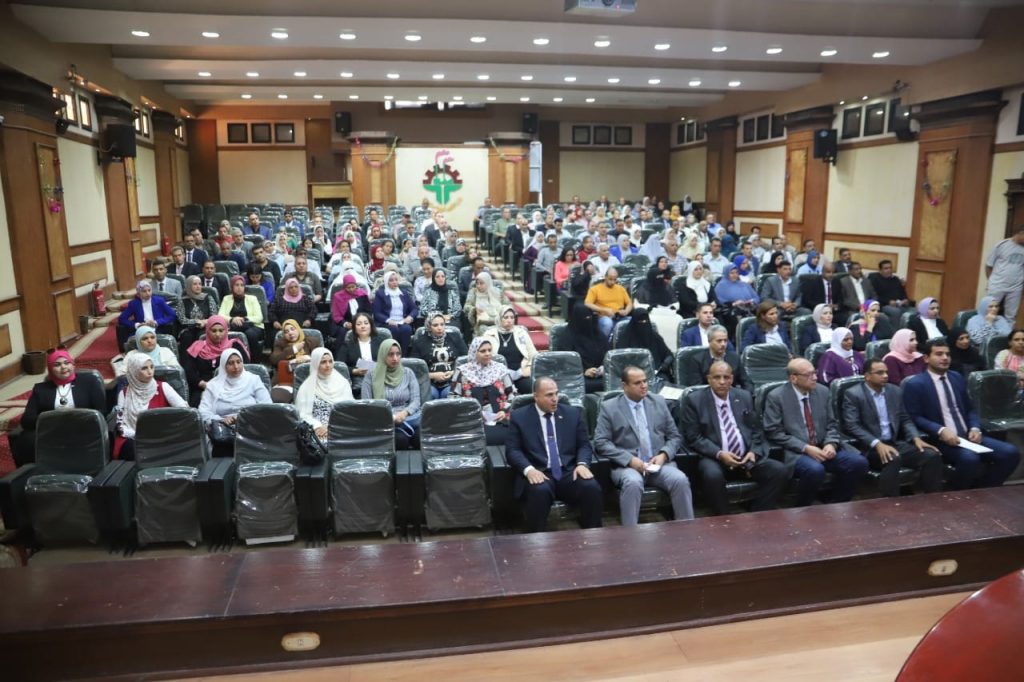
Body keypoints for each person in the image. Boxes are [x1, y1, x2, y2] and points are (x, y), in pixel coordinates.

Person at [903, 339, 1020, 489]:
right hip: (941, 440)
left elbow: (970, 409)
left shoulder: (956, 377)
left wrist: (975, 428)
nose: (945, 358)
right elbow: (914, 417)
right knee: (970, 459)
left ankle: (984, 489)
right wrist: (940, 430)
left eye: (947, 354)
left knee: (1011, 453)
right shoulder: (915, 384)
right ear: (926, 358)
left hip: (968, 436)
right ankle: (955, 493)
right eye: (939, 354)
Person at [681, 361, 789, 515]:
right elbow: (694, 437)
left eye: (726, 377)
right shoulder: (694, 400)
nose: (722, 382)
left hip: (746, 456)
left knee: (779, 471)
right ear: (709, 379)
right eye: (717, 377)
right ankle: (725, 518)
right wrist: (720, 454)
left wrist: (753, 451)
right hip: (714, 456)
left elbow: (756, 430)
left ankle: (757, 514)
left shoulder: (744, 396)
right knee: (712, 475)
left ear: (732, 379)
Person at [594, 366, 694, 526]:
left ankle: (687, 529)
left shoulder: (658, 402)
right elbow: (601, 442)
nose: (644, 386)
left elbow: (675, 436)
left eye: (645, 381)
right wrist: (630, 460)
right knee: (633, 483)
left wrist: (663, 455)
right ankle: (630, 533)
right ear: (624, 386)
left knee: (680, 480)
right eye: (637, 383)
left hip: (658, 464)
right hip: (628, 467)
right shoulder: (609, 407)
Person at [763, 358, 868, 506]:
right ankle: (803, 507)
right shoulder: (776, 397)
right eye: (809, 375)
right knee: (815, 470)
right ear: (793, 378)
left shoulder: (823, 391)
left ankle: (836, 503)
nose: (815, 378)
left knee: (858, 463)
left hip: (824, 447)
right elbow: (774, 431)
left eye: (815, 373)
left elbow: (832, 423)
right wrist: (806, 448)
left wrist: (831, 443)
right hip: (797, 451)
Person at [504, 377, 603, 533]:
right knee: (539, 490)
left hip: (568, 471)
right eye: (549, 395)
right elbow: (512, 450)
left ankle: (594, 534)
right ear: (536, 396)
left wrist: (582, 464)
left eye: (556, 393)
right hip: (539, 471)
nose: (555, 399)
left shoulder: (572, 414)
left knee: (590, 487)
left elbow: (584, 444)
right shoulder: (519, 417)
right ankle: (535, 538)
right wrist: (529, 470)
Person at [840, 359, 943, 497]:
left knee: (931, 455)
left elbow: (905, 418)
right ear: (867, 376)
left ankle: (933, 499)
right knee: (892, 458)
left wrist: (915, 437)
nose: (885, 376)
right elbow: (852, 425)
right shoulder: (853, 394)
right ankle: (889, 503)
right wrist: (877, 443)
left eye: (886, 372)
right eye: (880, 373)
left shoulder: (894, 391)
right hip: (869, 447)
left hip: (894, 443)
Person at [10, 347, 106, 466]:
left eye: (67, 363)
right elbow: (27, 420)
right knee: (26, 439)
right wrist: (53, 420)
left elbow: (101, 410)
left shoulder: (89, 382)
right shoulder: (40, 389)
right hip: (51, 431)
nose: (63, 367)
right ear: (50, 369)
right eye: (57, 365)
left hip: (81, 428)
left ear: (73, 365)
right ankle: (32, 472)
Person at [198, 348, 271, 457]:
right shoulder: (212, 386)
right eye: (231, 363)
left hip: (250, 426)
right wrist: (221, 420)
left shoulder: (253, 380)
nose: (236, 367)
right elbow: (203, 413)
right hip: (223, 431)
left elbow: (267, 406)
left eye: (238, 362)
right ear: (224, 365)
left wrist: (242, 418)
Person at [113, 354, 187, 460]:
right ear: (134, 371)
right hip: (132, 437)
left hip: (161, 436)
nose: (150, 372)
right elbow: (120, 424)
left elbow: (185, 411)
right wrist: (138, 435)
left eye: (152, 367)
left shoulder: (163, 387)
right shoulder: (124, 393)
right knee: (133, 450)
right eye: (144, 368)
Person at [451, 338, 516, 446]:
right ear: (474, 352)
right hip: (473, 421)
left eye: (489, 350)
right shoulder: (462, 372)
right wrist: (473, 415)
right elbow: (453, 398)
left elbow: (512, 395)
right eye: (483, 351)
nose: (487, 354)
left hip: (501, 418)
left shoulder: (500, 369)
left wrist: (504, 412)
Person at [362, 339, 421, 449]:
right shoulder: (371, 375)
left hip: (408, 418)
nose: (395, 358)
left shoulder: (408, 373)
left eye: (398, 354)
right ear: (383, 355)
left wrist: (405, 413)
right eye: (390, 354)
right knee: (401, 440)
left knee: (420, 438)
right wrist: (391, 417)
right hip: (383, 420)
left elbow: (416, 400)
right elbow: (367, 404)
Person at [182, 316, 250, 406]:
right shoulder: (197, 347)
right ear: (207, 331)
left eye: (221, 331)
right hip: (204, 387)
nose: (217, 334)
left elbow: (245, 367)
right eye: (214, 331)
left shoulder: (235, 345)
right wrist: (202, 384)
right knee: (197, 405)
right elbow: (189, 371)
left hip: (231, 386)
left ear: (226, 330)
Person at [295, 348, 353, 442]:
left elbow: (349, 411)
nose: (328, 365)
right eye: (323, 362)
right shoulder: (306, 387)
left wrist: (331, 427)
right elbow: (302, 415)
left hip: (341, 427)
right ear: (316, 364)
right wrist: (317, 426)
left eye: (330, 361)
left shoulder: (343, 383)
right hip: (317, 430)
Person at [481, 306, 538, 394]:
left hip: (520, 373)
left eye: (512, 317)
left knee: (532, 388)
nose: (509, 320)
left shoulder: (521, 333)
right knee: (495, 392)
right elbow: (483, 357)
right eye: (506, 317)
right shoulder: (489, 335)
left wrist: (528, 368)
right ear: (500, 318)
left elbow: (533, 355)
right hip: (498, 375)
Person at [412, 314, 467, 399]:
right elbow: (415, 368)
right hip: (428, 381)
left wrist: (453, 373)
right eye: (435, 325)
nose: (440, 328)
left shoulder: (455, 338)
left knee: (449, 394)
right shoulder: (420, 342)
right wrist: (432, 375)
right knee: (431, 394)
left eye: (442, 324)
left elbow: (466, 361)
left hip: (453, 380)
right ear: (429, 326)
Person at [116, 279, 178, 349]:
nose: (148, 293)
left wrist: (157, 322)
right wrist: (137, 325)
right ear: (139, 293)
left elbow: (172, 315)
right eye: (144, 291)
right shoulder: (134, 304)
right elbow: (122, 319)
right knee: (131, 342)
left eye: (149, 290)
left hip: (158, 329)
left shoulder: (159, 301)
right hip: (141, 330)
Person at [614, 308, 673, 380]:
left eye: (645, 321)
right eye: (640, 321)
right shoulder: (625, 338)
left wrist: (665, 364)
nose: (643, 323)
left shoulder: (654, 337)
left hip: (656, 373)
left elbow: (668, 354)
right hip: (632, 376)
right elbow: (619, 360)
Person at [679, 325, 744, 387]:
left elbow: (746, 382)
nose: (723, 344)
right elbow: (697, 386)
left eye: (725, 341)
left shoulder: (735, 358)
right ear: (709, 341)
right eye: (719, 341)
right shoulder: (697, 360)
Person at [983, 224, 1024, 321]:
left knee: (1011, 316)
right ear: (1021, 233)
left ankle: (1007, 330)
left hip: (1015, 288)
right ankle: (985, 329)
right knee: (989, 311)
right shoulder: (1002, 245)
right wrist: (992, 282)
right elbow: (989, 265)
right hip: (997, 285)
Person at [336, 311, 383, 393]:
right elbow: (339, 366)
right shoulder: (347, 344)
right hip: (357, 378)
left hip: (379, 376)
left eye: (366, 323)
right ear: (354, 328)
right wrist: (354, 371)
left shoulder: (381, 342)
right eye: (359, 324)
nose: (363, 326)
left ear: (371, 325)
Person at [111, 325, 180, 380]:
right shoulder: (132, 355)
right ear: (138, 341)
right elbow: (121, 375)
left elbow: (177, 372)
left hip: (166, 386)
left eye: (152, 337)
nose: (149, 341)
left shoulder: (166, 351)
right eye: (145, 338)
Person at [268, 319, 317, 395]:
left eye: (292, 329)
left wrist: (307, 358)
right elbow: (274, 360)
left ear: (298, 329)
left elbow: (321, 358)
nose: (290, 333)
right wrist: (294, 349)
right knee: (278, 397)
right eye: (286, 332)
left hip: (309, 378)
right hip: (286, 379)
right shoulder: (280, 343)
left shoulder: (311, 342)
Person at [567, 305, 609, 393]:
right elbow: (565, 364)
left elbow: (608, 354)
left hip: (601, 375)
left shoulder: (598, 335)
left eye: (589, 317)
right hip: (577, 377)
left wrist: (603, 367)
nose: (588, 320)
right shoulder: (567, 337)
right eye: (585, 318)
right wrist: (583, 371)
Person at [373, 270, 417, 351]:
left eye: (396, 280)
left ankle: (403, 354)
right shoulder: (380, 293)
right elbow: (377, 312)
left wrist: (410, 317)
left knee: (406, 329)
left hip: (402, 321)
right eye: (391, 280)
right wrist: (388, 320)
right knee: (394, 329)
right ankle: (392, 353)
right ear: (386, 282)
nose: (394, 282)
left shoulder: (403, 293)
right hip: (386, 323)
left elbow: (414, 308)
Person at [584, 267, 633, 339]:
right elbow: (587, 303)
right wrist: (603, 310)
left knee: (633, 321)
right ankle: (603, 343)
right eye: (610, 279)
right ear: (605, 277)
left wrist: (626, 311)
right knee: (607, 323)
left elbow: (629, 303)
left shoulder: (621, 289)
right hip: (604, 317)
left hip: (619, 316)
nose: (613, 282)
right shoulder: (595, 289)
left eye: (615, 280)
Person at [177, 275, 220, 349]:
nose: (198, 286)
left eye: (200, 284)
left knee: (202, 336)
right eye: (195, 284)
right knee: (187, 337)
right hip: (188, 328)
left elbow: (214, 316)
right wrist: (197, 322)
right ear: (189, 286)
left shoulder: (208, 298)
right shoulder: (183, 301)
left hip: (206, 327)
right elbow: (182, 319)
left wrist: (204, 322)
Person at [868, 260, 914, 327]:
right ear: (880, 270)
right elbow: (875, 296)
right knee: (895, 312)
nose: (889, 270)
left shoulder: (896, 279)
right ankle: (895, 332)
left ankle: (907, 331)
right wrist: (888, 302)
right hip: (884, 305)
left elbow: (903, 293)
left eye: (890, 268)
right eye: (886, 268)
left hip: (899, 304)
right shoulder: (875, 280)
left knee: (914, 311)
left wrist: (905, 300)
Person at [463, 270, 503, 337]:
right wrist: (474, 309)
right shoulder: (473, 292)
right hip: (482, 323)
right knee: (483, 329)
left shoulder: (497, 292)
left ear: (487, 283)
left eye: (481, 283)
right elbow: (466, 307)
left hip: (498, 321)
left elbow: (508, 306)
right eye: (477, 283)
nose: (478, 286)